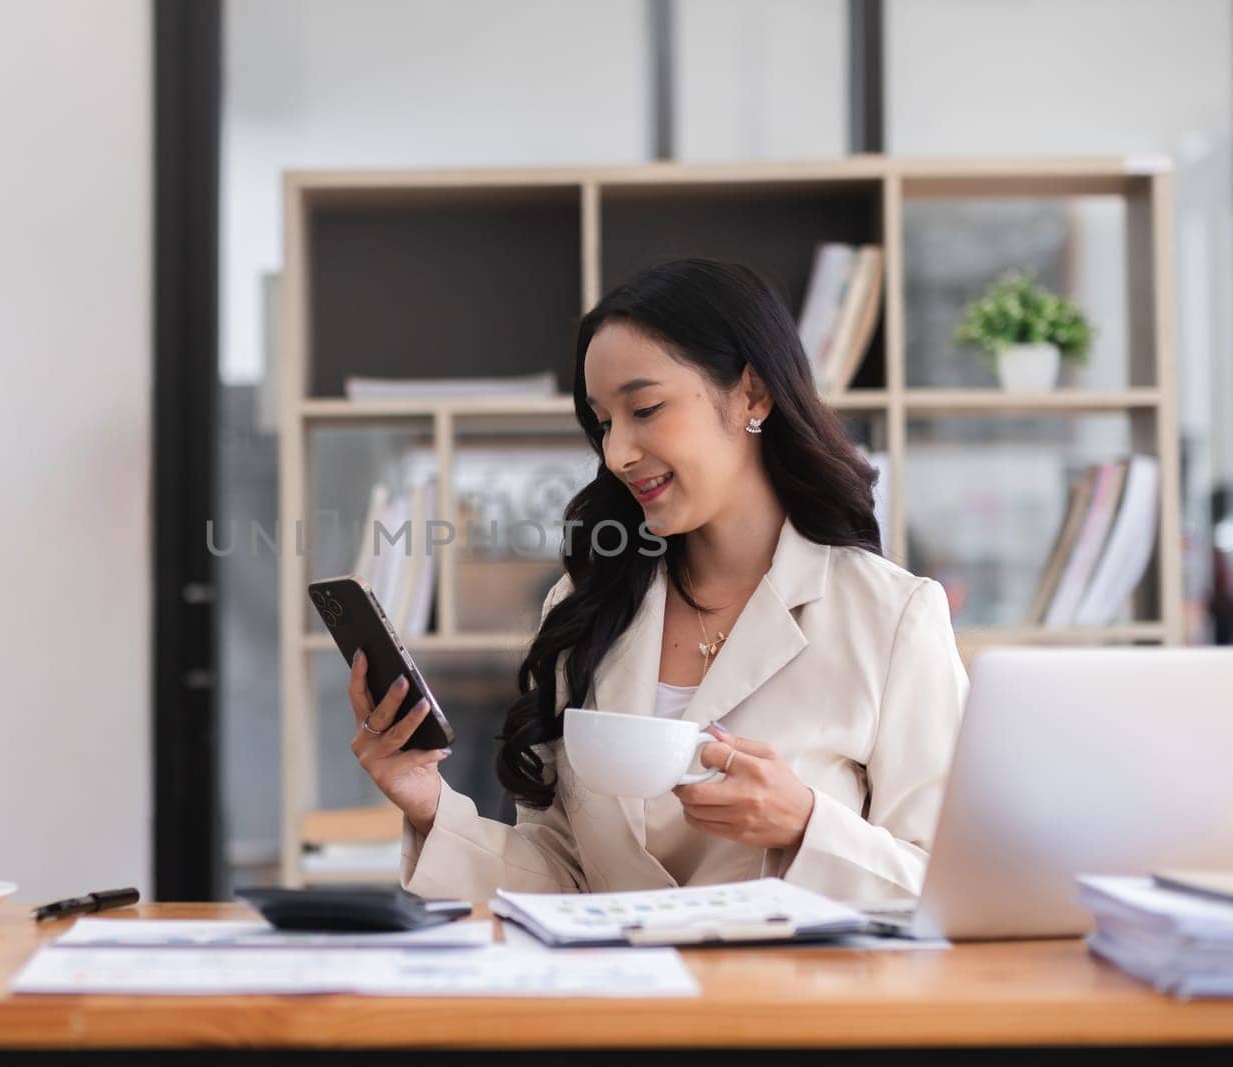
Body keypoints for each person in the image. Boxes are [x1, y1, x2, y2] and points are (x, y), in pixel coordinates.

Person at [347, 258, 968, 905]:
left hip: (795, 1005)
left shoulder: (891, 616)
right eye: (604, 422)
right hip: (619, 1002)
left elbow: (950, 886)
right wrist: (429, 808)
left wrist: (805, 825)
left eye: (645, 408)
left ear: (752, 394)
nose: (616, 453)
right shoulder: (587, 608)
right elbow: (563, 878)